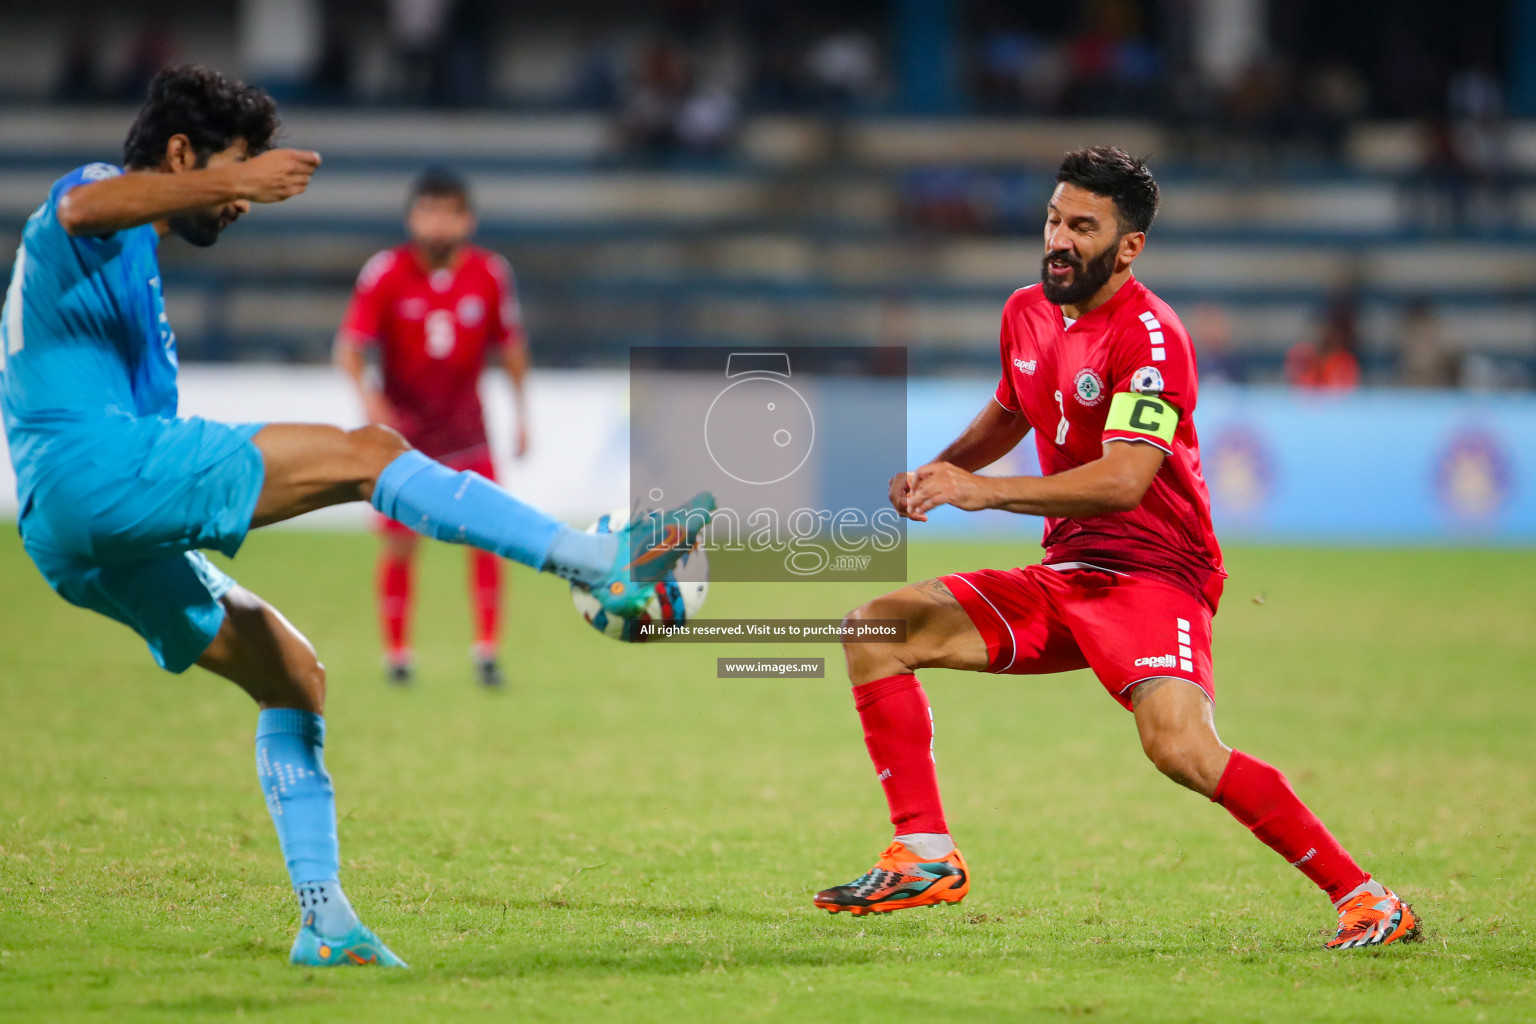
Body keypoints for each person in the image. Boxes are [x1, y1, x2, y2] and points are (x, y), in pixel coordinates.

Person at [0, 65, 711, 968]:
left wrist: (217, 181)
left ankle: (326, 921)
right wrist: (229, 179)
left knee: (293, 676)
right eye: (234, 167)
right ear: (182, 155)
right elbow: (80, 210)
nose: (244, 198)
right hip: (97, 472)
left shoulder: (131, 261)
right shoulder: (93, 199)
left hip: (68, 529)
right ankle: (595, 558)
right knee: (372, 453)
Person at [812, 146, 1419, 951]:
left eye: (1082, 227)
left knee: (1179, 747)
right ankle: (924, 852)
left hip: (1154, 575)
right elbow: (1014, 407)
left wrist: (983, 493)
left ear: (1127, 246)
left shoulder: (1154, 340)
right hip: (1066, 572)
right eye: (1054, 219)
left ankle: (1368, 899)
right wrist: (949, 466)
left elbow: (1126, 480)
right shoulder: (1025, 310)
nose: (1058, 239)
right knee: (877, 629)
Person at [336, 167, 528, 688]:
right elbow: (350, 348)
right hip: (406, 440)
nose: (439, 224)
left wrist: (523, 414)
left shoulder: (489, 273)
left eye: (450, 212)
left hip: (469, 432)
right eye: (429, 211)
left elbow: (510, 346)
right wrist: (371, 402)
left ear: (467, 219)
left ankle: (487, 650)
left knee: (490, 537)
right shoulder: (386, 272)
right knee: (399, 543)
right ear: (412, 217)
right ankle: (397, 655)